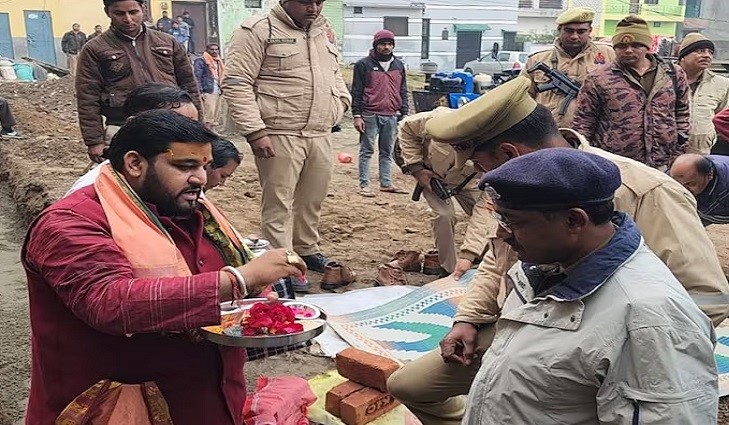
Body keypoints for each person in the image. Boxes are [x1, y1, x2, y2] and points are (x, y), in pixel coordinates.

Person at [386, 76, 729, 425]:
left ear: (508, 154)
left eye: (478, 163)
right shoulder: (519, 195)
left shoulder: (646, 190)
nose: (477, 174)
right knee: (410, 386)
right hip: (520, 325)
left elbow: (705, 297)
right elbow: (498, 258)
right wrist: (469, 319)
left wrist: (586, 353)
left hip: (595, 345)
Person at [23, 109, 308, 424]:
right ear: (135, 164)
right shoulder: (70, 221)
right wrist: (239, 278)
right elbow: (109, 301)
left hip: (209, 401)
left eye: (204, 166)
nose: (201, 178)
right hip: (114, 409)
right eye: (184, 166)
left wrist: (254, 295)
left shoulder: (195, 211)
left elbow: (215, 291)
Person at [463, 148, 717, 424]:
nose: (501, 234)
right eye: (499, 218)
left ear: (574, 221)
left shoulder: (648, 320)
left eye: (512, 221)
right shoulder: (545, 265)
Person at [223, 0, 352, 282]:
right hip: (279, 132)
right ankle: (280, 262)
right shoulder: (257, 30)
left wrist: (342, 102)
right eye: (306, 2)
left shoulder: (322, 31)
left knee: (312, 199)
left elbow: (334, 74)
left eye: (319, 2)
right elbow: (236, 82)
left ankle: (306, 249)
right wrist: (256, 131)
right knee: (278, 203)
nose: (314, 8)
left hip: (319, 132)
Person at [77, 0, 202, 164]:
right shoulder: (95, 49)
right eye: (119, 13)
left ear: (143, 9)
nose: (128, 19)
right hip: (123, 128)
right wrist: (94, 141)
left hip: (171, 127)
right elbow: (87, 98)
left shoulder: (168, 42)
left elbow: (190, 86)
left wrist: (198, 129)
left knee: (174, 179)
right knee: (123, 182)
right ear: (107, 11)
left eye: (133, 12)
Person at [572, 15, 690, 170]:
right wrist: (584, 159)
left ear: (648, 46)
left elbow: (682, 113)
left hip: (663, 162)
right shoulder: (599, 78)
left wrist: (679, 150)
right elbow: (584, 122)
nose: (628, 51)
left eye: (636, 46)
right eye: (621, 46)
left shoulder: (673, 73)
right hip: (615, 163)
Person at [398, 107, 495, 278]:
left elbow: (484, 210)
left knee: (494, 218)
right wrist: (416, 168)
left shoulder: (496, 157)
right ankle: (447, 269)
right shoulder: (439, 121)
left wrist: (468, 254)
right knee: (444, 215)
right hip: (433, 177)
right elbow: (405, 128)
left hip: (469, 181)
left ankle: (484, 261)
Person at [520, 7, 614, 127]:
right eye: (569, 31)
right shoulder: (538, 59)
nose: (574, 36)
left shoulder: (608, 54)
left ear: (590, 31)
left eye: (581, 31)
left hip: (592, 129)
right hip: (547, 130)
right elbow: (524, 96)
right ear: (559, 30)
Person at [352, 29, 409, 197]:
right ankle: (364, 185)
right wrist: (357, 115)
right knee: (366, 151)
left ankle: (386, 183)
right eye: (383, 44)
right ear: (376, 45)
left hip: (391, 115)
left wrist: (404, 111)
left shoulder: (398, 65)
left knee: (387, 151)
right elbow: (356, 91)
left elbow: (403, 90)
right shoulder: (363, 65)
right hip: (369, 114)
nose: (386, 47)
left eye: (389, 44)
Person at [677, 33, 729, 154]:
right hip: (665, 151)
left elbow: (722, 116)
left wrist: (708, 134)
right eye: (700, 51)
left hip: (702, 152)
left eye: (710, 52)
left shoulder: (722, 83)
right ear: (683, 56)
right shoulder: (665, 79)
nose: (706, 55)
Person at [670, 153, 729, 226]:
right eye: (678, 184)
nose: (684, 190)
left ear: (710, 175)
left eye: (690, 184)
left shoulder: (725, 188)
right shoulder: (669, 178)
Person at [194, 43, 225, 128]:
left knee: (215, 116)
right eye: (212, 49)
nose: (214, 51)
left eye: (216, 49)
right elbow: (197, 77)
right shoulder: (201, 60)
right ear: (207, 50)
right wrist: (200, 91)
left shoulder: (219, 61)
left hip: (217, 90)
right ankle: (207, 135)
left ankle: (213, 135)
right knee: (208, 116)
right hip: (207, 90)